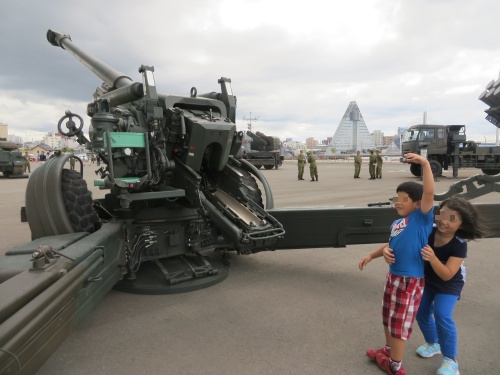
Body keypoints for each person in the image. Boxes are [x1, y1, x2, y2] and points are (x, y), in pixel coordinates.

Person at [384, 196, 487, 375]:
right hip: (426, 279)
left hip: (449, 284)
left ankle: (450, 359)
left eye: (452, 218)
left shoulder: (459, 245)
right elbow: (401, 242)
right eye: (441, 214)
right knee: (421, 312)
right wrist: (385, 250)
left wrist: (432, 258)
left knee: (442, 314)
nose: (444, 221)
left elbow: (447, 275)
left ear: (462, 225)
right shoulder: (427, 230)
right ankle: (434, 343)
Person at [358, 152, 435, 375]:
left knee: (400, 321)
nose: (398, 202)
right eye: (397, 198)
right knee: (388, 316)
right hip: (393, 276)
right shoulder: (397, 223)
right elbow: (391, 244)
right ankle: (389, 349)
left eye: (404, 199)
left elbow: (429, 191)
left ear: (418, 203)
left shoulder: (422, 218)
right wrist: (375, 255)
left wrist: (425, 164)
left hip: (410, 280)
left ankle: (395, 364)